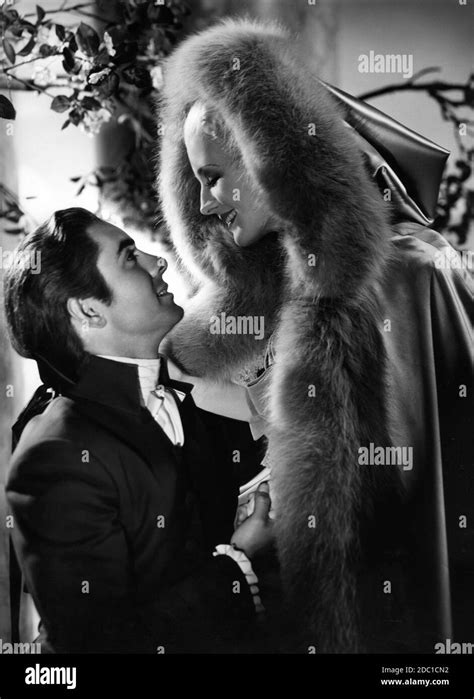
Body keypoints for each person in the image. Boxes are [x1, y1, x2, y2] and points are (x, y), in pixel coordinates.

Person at [157, 18, 473, 652]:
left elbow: (449, 474)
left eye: (213, 176)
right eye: (192, 179)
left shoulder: (413, 271)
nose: (206, 202)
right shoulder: (248, 305)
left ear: (267, 158)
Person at [4, 207, 273, 654]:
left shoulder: (186, 394)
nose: (158, 260)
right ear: (88, 310)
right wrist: (239, 565)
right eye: (129, 257)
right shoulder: (55, 455)